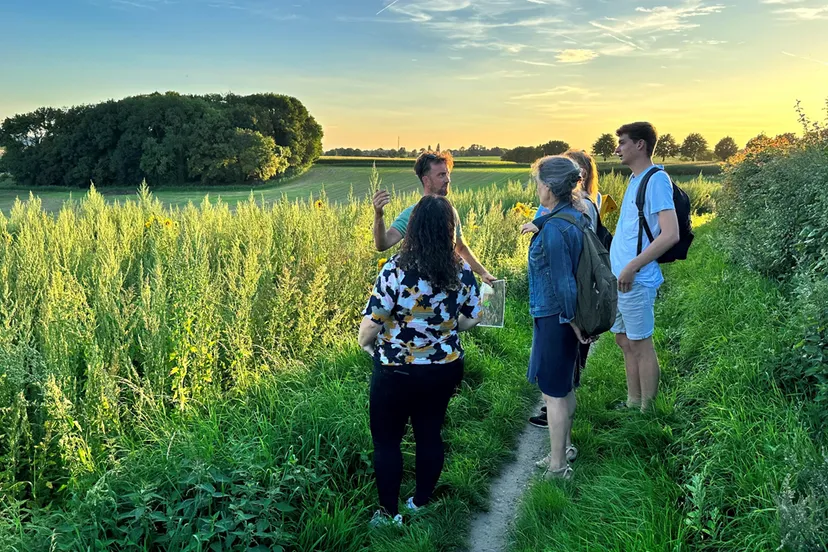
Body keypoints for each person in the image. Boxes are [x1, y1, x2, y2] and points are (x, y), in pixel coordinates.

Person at [358, 195, 482, 526]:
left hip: (396, 370)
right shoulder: (462, 270)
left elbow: (373, 322)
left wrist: (365, 345)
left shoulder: (395, 269)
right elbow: (471, 318)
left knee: (387, 441)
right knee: (430, 433)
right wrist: (445, 327)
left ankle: (388, 513)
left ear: (413, 228)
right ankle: (420, 502)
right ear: (449, 230)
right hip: (444, 368)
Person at [524, 155, 591, 480]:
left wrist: (572, 321)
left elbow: (564, 282)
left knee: (553, 394)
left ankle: (558, 467)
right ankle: (563, 449)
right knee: (564, 388)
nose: (537, 189)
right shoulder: (575, 215)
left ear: (549, 187)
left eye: (538, 183)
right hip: (563, 315)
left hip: (556, 316)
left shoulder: (553, 228)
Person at [610, 122, 679, 412]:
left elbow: (670, 233)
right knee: (624, 341)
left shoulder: (656, 180)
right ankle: (633, 402)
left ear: (640, 145)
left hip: (635, 279)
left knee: (641, 344)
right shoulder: (635, 179)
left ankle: (647, 411)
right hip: (622, 278)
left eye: (622, 143)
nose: (617, 149)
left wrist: (632, 267)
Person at [372, 150, 497, 285]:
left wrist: (483, 273)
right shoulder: (413, 214)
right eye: (441, 175)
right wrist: (378, 216)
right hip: (416, 290)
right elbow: (382, 244)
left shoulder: (451, 212)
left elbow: (460, 248)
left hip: (447, 287)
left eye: (448, 173)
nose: (448, 179)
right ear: (426, 180)